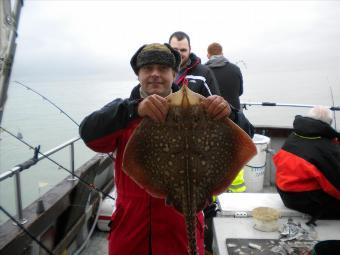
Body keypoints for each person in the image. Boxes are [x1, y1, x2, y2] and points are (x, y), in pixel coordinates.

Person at [79, 43, 252, 255]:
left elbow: (247, 135)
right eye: (147, 68)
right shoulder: (123, 113)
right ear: (138, 74)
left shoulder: (203, 109)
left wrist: (230, 113)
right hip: (130, 232)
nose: (155, 74)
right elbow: (88, 133)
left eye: (162, 69)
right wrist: (135, 109)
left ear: (174, 73)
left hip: (180, 231)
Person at [273, 105, 340, 221]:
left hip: (283, 191)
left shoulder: (295, 135)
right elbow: (335, 185)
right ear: (329, 123)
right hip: (303, 200)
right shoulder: (325, 148)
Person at [169, 31, 220, 97]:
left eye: (183, 50)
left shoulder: (204, 73)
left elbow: (216, 104)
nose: (179, 54)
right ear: (168, 48)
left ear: (190, 49)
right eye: (175, 50)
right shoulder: (159, 72)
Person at [205, 42, 243, 110]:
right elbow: (240, 92)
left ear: (208, 55)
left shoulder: (202, 71)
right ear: (222, 54)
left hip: (211, 115)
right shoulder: (235, 69)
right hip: (234, 114)